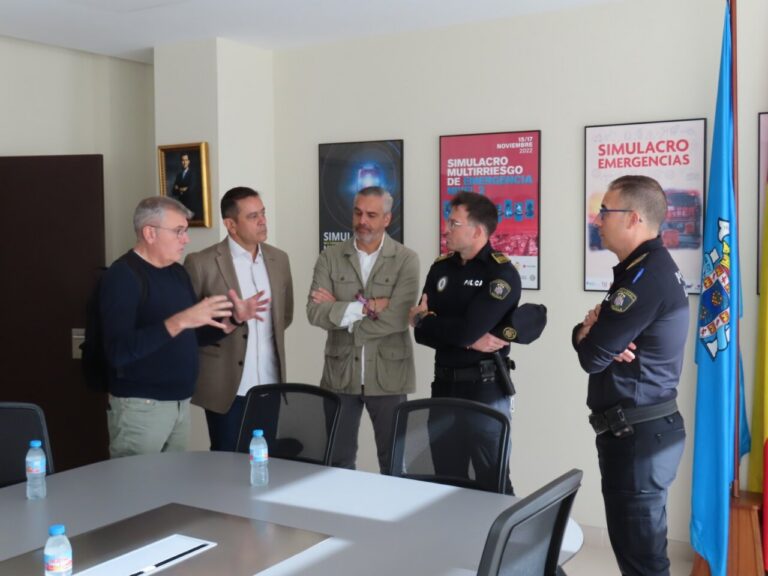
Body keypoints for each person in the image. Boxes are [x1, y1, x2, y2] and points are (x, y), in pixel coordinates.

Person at [572, 175, 688, 576]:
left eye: (605, 211)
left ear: (633, 218)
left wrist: (593, 335)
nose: (597, 219)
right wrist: (590, 333)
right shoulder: (639, 269)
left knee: (643, 562)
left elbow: (592, 355)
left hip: (639, 437)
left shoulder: (646, 277)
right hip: (638, 431)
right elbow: (593, 341)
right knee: (638, 554)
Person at [100, 196, 257, 458]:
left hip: (179, 404)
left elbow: (190, 335)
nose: (186, 239)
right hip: (141, 407)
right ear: (149, 233)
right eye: (179, 231)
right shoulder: (122, 276)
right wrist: (180, 320)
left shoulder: (177, 272)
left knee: (170, 492)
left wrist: (232, 321)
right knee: (138, 494)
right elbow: (119, 351)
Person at [410, 191, 521, 493]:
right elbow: (421, 333)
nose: (446, 228)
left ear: (478, 231)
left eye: (454, 223)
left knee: (492, 480)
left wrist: (428, 321)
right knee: (445, 479)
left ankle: (503, 541)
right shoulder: (441, 268)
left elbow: (455, 330)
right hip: (444, 386)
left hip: (484, 390)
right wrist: (468, 339)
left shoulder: (501, 274)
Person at [307, 186, 419, 472]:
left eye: (371, 215)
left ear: (387, 219)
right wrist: (368, 307)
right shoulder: (329, 258)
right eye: (358, 213)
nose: (362, 221)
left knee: (394, 462)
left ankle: (393, 517)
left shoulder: (406, 259)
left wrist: (342, 311)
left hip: (389, 375)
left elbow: (397, 317)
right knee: (337, 462)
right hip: (340, 373)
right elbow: (315, 312)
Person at [185, 187, 293, 451]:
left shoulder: (279, 259)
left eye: (263, 213)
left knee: (266, 460)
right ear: (231, 224)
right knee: (227, 466)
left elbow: (284, 316)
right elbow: (188, 327)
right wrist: (233, 317)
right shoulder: (201, 263)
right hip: (226, 387)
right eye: (253, 216)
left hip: (270, 382)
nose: (262, 221)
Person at [172, 153, 200, 218]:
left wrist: (178, 188)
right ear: (181, 162)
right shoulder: (179, 175)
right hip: (181, 206)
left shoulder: (193, 174)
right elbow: (173, 191)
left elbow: (191, 189)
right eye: (182, 160)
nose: (184, 162)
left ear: (189, 161)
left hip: (190, 205)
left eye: (186, 160)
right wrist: (183, 189)